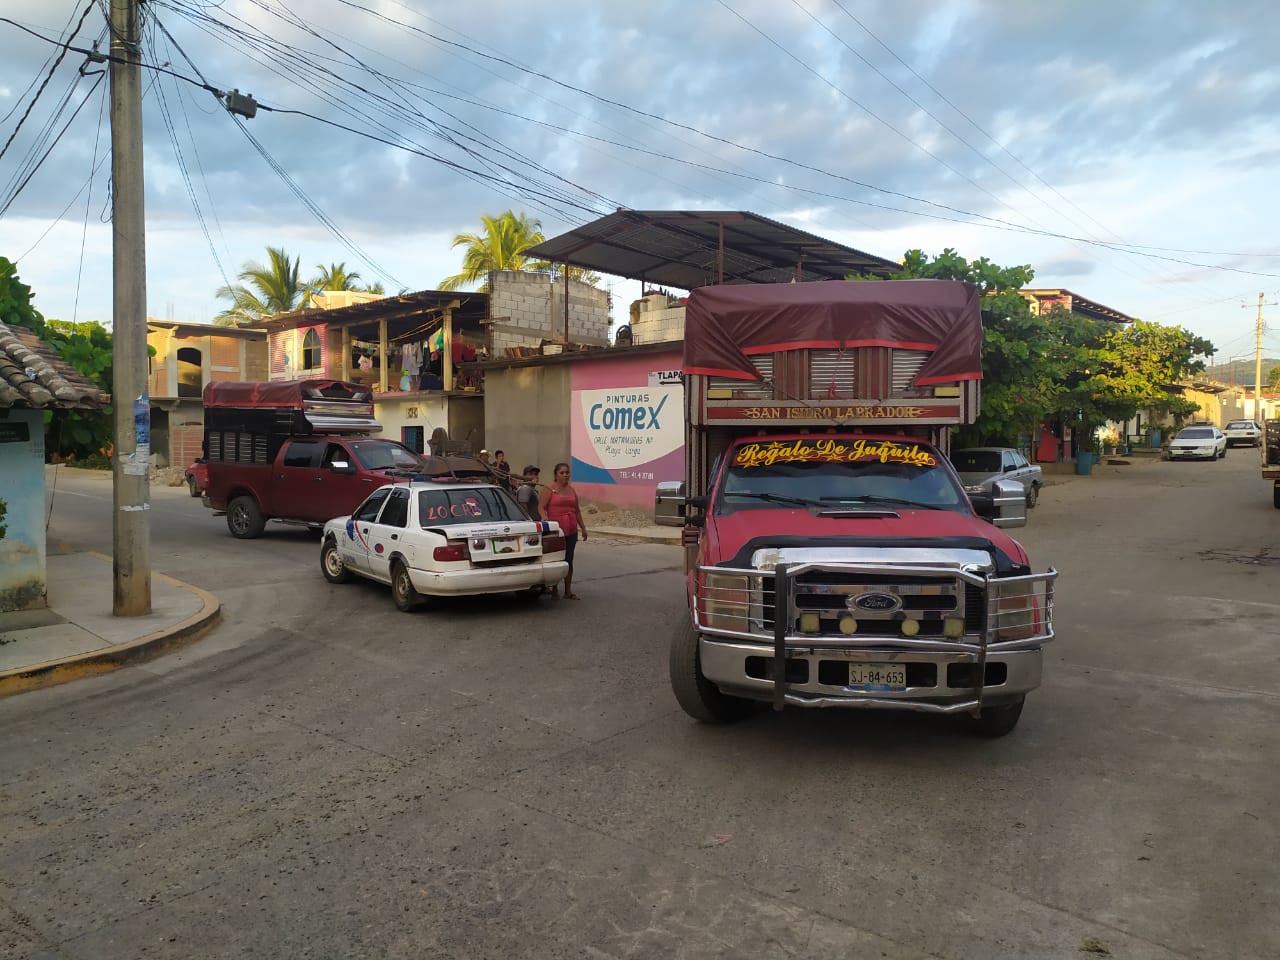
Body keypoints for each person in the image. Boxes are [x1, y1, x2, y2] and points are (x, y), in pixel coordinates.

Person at [539, 461, 587, 599]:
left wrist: (583, 528)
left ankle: (568, 591)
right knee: (556, 559)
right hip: (556, 530)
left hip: (571, 529)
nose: (565, 475)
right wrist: (545, 519)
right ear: (556, 475)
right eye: (562, 473)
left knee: (568, 560)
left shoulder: (572, 490)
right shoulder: (550, 489)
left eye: (567, 472)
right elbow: (541, 506)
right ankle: (553, 588)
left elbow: (576, 510)